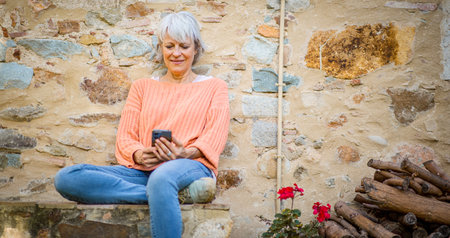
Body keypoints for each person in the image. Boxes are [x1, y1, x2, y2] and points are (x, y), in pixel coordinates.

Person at [54, 11, 230, 238]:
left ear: (196, 49)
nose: (176, 53)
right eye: (169, 46)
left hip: (191, 164)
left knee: (163, 177)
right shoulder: (142, 87)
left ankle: (164, 188)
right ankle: (171, 194)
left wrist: (185, 151)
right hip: (142, 172)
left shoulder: (214, 87)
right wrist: (138, 154)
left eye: (184, 46)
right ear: (161, 48)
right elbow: (125, 137)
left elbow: (214, 136)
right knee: (68, 177)